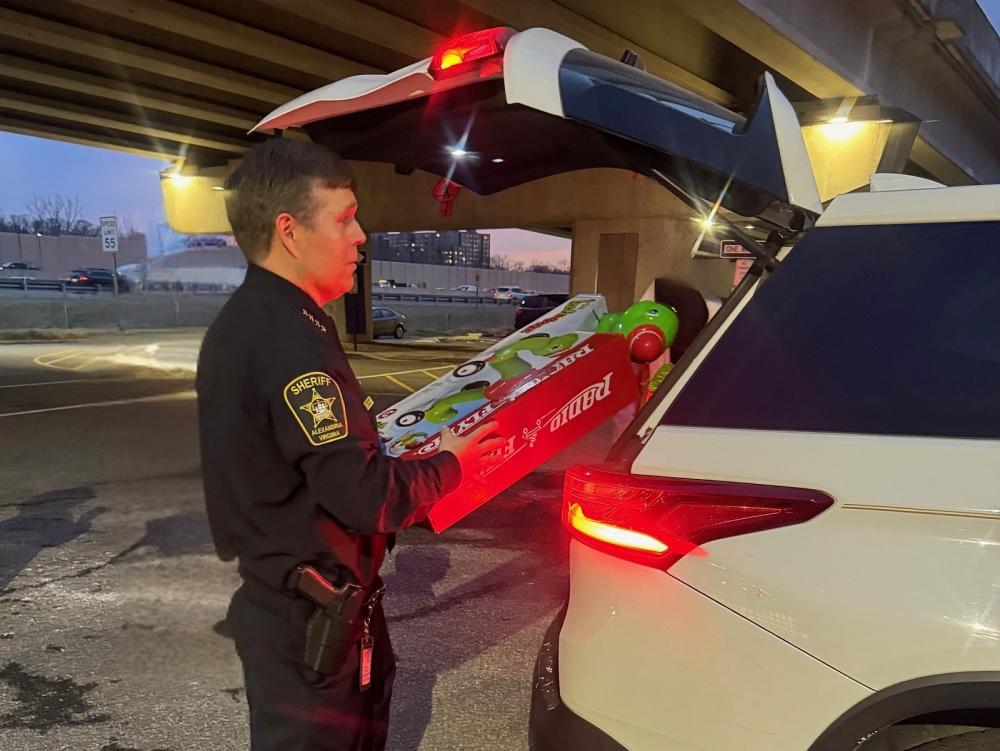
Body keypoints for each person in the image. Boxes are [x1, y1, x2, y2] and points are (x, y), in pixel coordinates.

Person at [196, 138, 503, 751]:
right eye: (343, 218)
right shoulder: (289, 339)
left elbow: (317, 460)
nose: (361, 234)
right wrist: (453, 464)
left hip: (307, 616)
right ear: (290, 230)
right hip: (309, 629)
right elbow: (364, 497)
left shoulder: (260, 320)